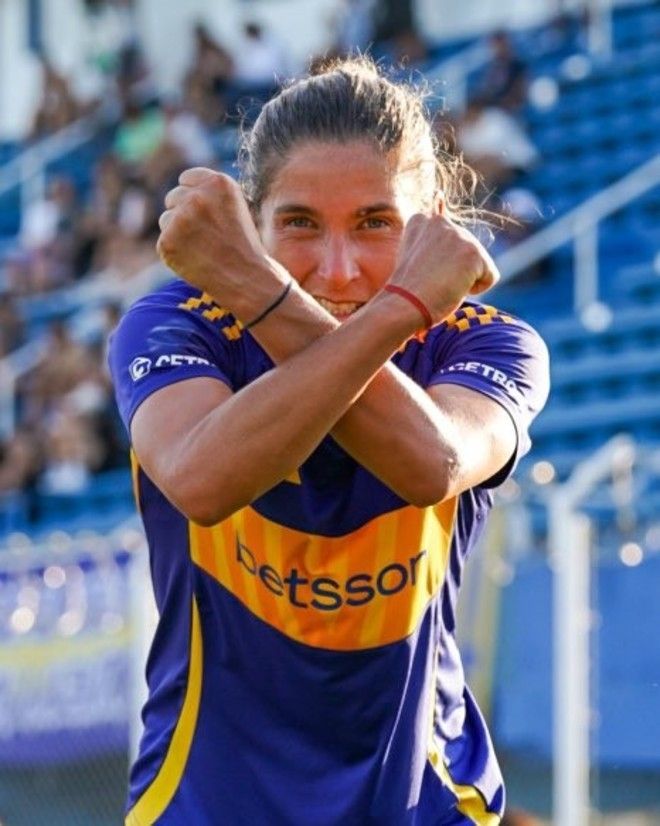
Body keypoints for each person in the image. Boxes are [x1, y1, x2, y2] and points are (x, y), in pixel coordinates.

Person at [109, 56, 549, 825]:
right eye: (299, 224)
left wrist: (262, 288)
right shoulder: (175, 324)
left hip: (429, 800)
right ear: (252, 225)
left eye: (376, 223)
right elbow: (202, 479)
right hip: (204, 802)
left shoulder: (488, 344)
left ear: (434, 223)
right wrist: (395, 307)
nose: (337, 269)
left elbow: (431, 462)